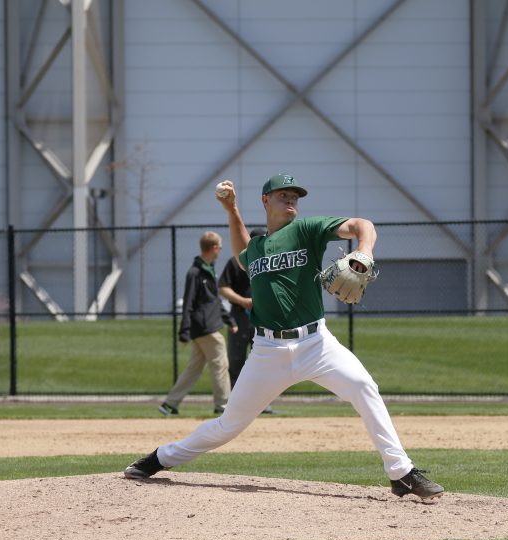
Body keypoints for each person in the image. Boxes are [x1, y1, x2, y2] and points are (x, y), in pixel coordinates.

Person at [126, 173, 445, 501]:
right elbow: (242, 253)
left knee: (364, 387)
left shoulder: (307, 230)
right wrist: (231, 209)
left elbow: (363, 225)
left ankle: (400, 472)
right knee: (228, 425)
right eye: (283, 194)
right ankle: (160, 458)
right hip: (268, 351)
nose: (291, 198)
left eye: (295, 195)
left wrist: (364, 251)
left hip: (316, 344)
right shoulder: (257, 248)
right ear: (266, 200)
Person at [158, 231, 235, 416]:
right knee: (220, 365)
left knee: (194, 368)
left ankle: (170, 403)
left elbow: (214, 301)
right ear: (214, 248)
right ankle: (223, 405)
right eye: (220, 247)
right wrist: (184, 331)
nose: (220, 251)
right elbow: (189, 302)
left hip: (206, 326)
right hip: (206, 328)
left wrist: (229, 319)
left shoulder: (208, 270)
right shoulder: (195, 272)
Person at [218, 228, 274, 414]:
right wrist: (243, 301)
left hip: (264, 318)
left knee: (263, 362)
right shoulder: (236, 262)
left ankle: (262, 403)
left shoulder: (270, 261)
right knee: (237, 361)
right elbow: (223, 287)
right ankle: (236, 404)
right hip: (240, 316)